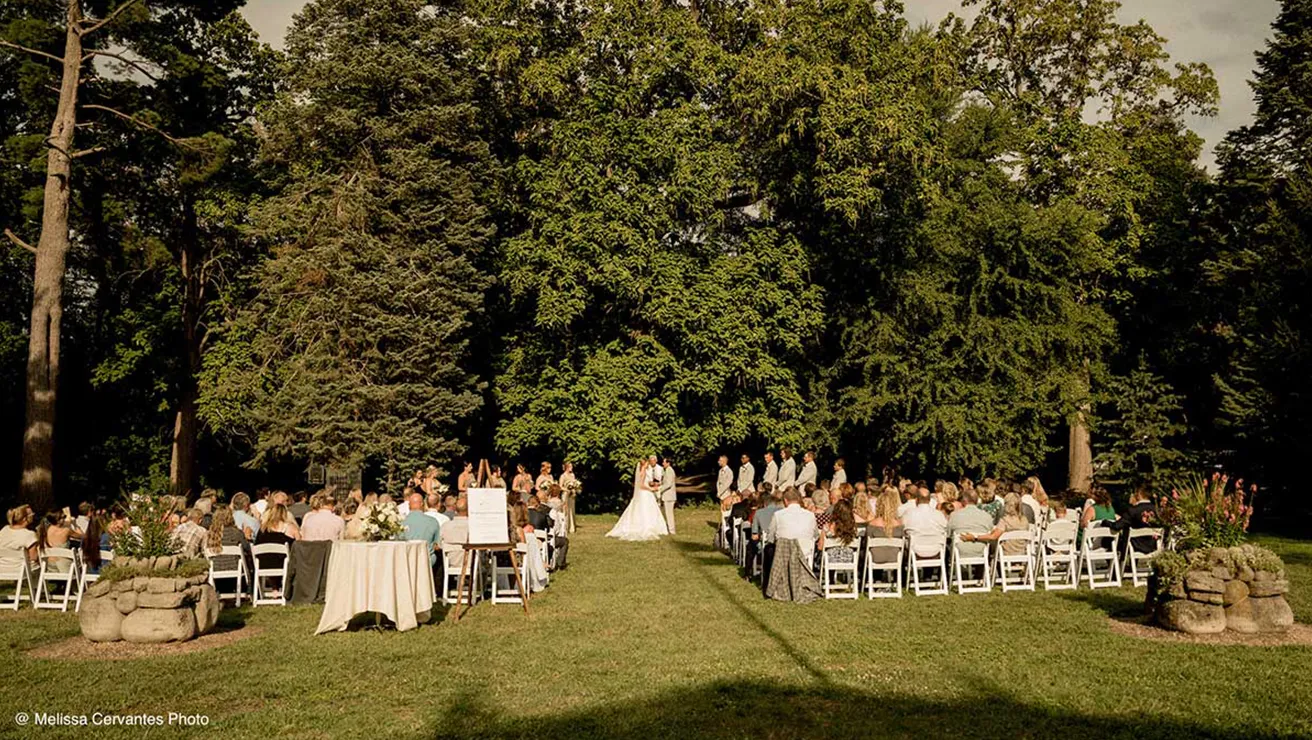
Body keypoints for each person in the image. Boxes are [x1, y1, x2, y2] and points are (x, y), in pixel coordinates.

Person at [606, 457, 669, 541]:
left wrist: (651, 484)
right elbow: (641, 486)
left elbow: (644, 483)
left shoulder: (643, 472)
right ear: (644, 464)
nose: (648, 464)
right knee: (646, 510)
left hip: (644, 493)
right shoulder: (643, 472)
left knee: (646, 509)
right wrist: (651, 489)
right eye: (647, 463)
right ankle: (647, 526)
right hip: (645, 493)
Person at [767, 486, 819, 570]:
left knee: (768, 549)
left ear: (785, 501)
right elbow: (815, 535)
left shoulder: (778, 515)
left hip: (784, 551)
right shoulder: (810, 515)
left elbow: (770, 537)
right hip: (805, 551)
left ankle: (770, 576)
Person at [962, 493, 1030, 555]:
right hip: (1022, 553)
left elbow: (993, 536)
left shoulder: (1005, 521)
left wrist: (975, 537)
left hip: (1006, 554)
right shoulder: (1025, 520)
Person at [947, 489, 995, 559]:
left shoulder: (954, 515)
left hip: (959, 551)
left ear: (964, 500)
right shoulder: (986, 516)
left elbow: (948, 534)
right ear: (977, 501)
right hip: (981, 551)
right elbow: (991, 533)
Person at [1108, 487, 1159, 553]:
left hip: (1135, 546)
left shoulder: (1133, 510)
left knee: (1108, 542)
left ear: (1139, 494)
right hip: (1153, 545)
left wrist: (1105, 522)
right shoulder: (1157, 510)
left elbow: (1117, 526)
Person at [902, 487, 947, 558]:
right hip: (936, 549)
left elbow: (903, 529)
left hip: (915, 549)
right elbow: (945, 529)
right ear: (930, 500)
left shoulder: (909, 513)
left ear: (916, 500)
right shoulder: (939, 514)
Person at [402, 492, 441, 566]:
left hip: (406, 561)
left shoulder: (401, 522)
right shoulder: (433, 521)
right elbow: (437, 545)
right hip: (427, 561)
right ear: (422, 504)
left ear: (409, 505)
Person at [205, 506, 247, 572]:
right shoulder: (236, 533)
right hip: (235, 568)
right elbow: (246, 548)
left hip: (215, 569)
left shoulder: (210, 534)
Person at [819, 499, 859, 566]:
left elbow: (820, 547)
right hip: (849, 560)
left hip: (830, 561)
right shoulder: (853, 528)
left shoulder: (828, 527)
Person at [439, 497, 471, 573]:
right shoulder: (473, 526)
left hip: (451, 562)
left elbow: (440, 545)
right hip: (471, 563)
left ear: (455, 510)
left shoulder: (445, 526)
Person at [658, 457, 678, 534]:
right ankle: (670, 529)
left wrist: (660, 489)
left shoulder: (669, 471)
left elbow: (668, 484)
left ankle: (671, 530)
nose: (663, 463)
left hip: (669, 496)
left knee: (669, 514)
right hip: (668, 496)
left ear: (668, 463)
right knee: (668, 513)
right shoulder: (666, 470)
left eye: (664, 462)